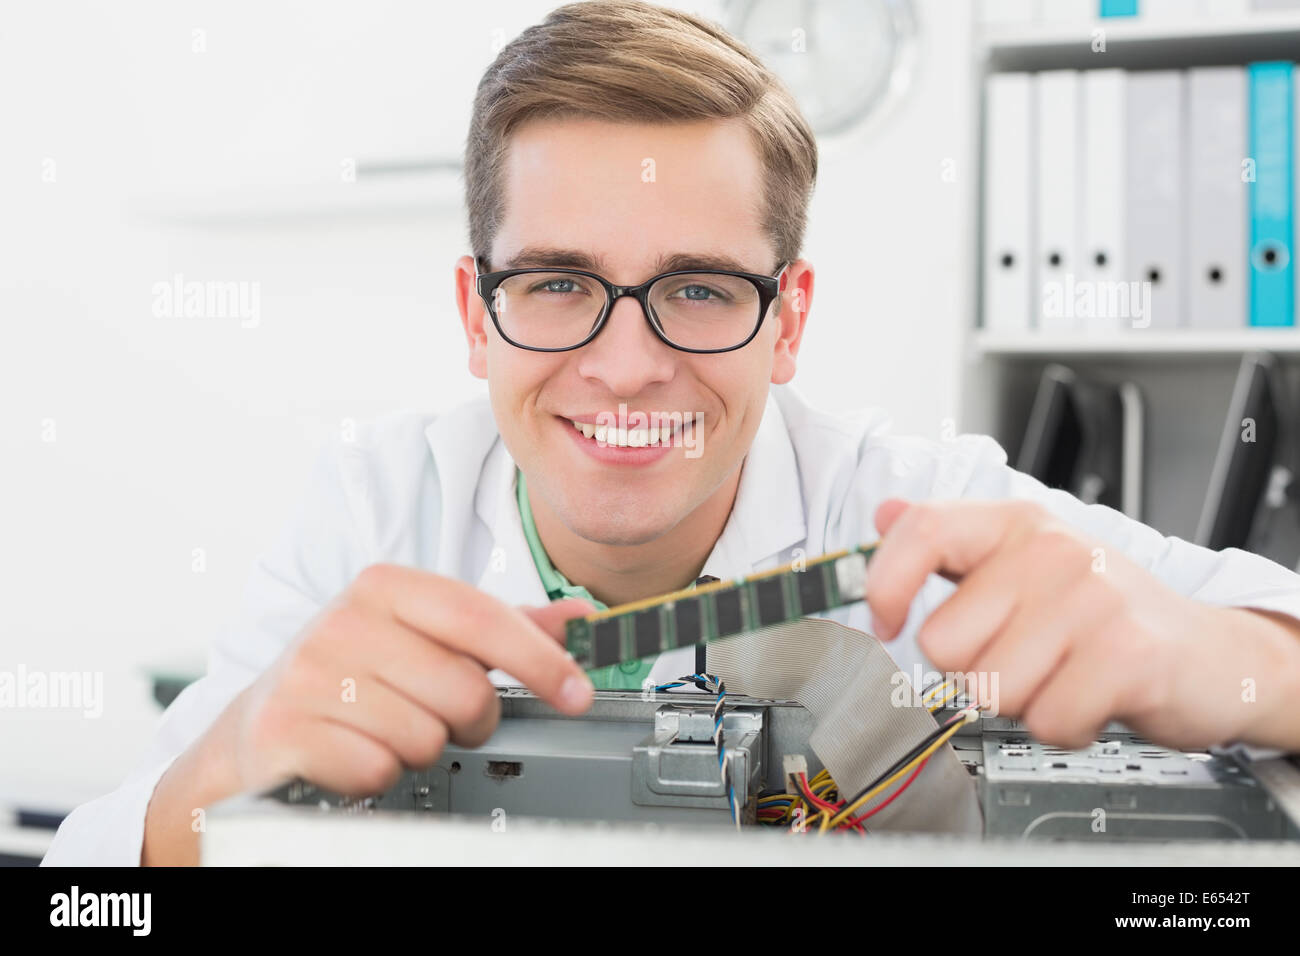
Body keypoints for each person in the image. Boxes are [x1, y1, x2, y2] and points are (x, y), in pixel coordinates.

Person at [43, 0, 1300, 866]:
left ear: (786, 320)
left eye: (698, 288)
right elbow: (87, 884)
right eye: (556, 282)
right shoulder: (377, 504)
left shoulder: (922, 506)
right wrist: (205, 797)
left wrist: (1209, 652)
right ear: (475, 316)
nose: (627, 360)